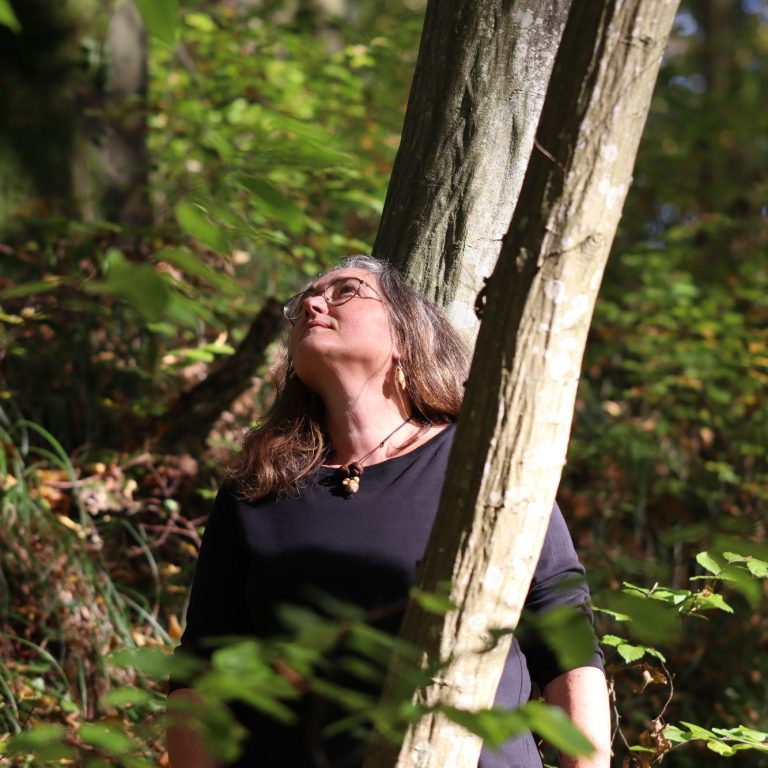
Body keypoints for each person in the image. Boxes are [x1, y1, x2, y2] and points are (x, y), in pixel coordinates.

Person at [167, 255, 611, 768]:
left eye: (344, 292)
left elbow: (565, 632)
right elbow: (200, 674)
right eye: (304, 300)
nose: (312, 304)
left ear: (405, 335)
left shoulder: (484, 462)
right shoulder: (256, 489)